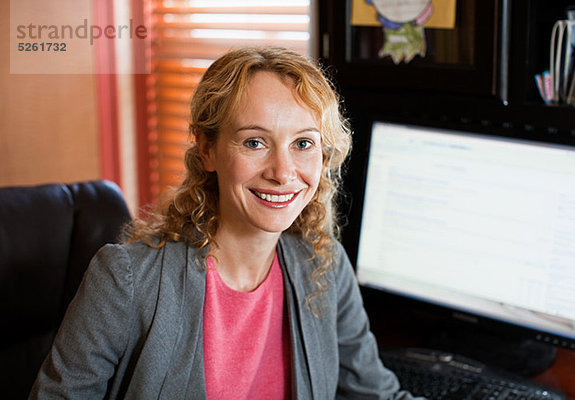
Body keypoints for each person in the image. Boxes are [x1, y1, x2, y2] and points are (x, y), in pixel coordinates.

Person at [30, 47, 421, 399]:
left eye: (303, 143)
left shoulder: (323, 264)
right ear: (207, 150)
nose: (283, 173)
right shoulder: (125, 279)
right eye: (255, 142)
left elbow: (378, 395)